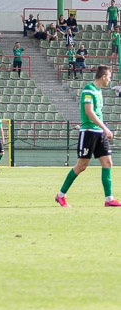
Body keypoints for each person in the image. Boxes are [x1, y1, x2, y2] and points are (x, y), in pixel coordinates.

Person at [56, 65, 121, 207]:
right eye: (109, 77)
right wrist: (105, 128)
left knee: (108, 163)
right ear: (103, 77)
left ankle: (109, 199)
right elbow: (89, 112)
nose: (110, 80)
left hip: (99, 133)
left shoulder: (99, 91)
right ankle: (60, 195)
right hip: (88, 133)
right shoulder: (88, 90)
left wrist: (103, 129)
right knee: (81, 165)